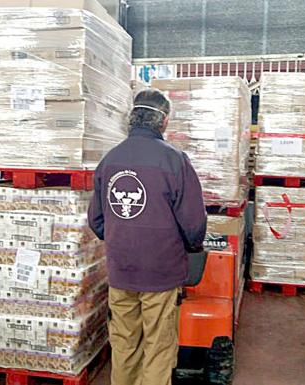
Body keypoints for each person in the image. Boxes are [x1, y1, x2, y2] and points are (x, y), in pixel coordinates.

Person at [87, 89, 207, 385]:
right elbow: (193, 222)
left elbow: (96, 219)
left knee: (124, 343)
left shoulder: (110, 160)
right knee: (158, 344)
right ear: (163, 121)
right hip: (161, 272)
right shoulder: (175, 161)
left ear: (132, 118)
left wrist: (121, 239)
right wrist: (193, 247)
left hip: (121, 270)